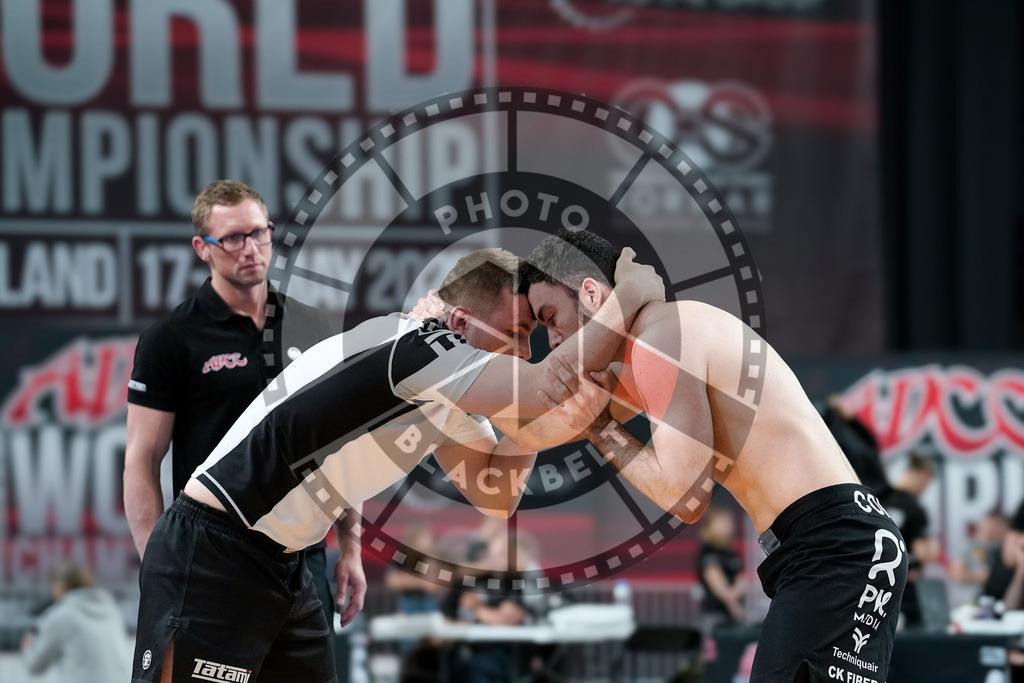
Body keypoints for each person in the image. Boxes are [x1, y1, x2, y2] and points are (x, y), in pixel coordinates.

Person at [132, 246, 664, 682]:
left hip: (284, 562)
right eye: (521, 333)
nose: (528, 353)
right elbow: (545, 390)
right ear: (460, 322)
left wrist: (352, 548)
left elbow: (495, 492)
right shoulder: (417, 347)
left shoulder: (442, 386)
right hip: (213, 549)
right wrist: (627, 302)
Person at [525, 230, 908, 682]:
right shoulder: (659, 338)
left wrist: (599, 428)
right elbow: (540, 421)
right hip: (845, 539)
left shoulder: (660, 341)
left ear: (591, 293)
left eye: (551, 318)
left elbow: (685, 498)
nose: (551, 341)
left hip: (833, 545)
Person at [123, 180, 356, 647]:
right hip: (212, 557)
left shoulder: (312, 326)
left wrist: (349, 547)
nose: (250, 249)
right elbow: (142, 458)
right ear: (202, 248)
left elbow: (341, 444)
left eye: (259, 233)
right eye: (232, 238)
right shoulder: (172, 337)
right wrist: (159, 563)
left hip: (302, 553)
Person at [20, 563, 132, 683]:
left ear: (60, 586)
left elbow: (35, 666)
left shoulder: (61, 615)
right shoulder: (110, 608)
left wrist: (27, 644)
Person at [881, 452, 939, 626]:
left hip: (876, 588)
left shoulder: (879, 499)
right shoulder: (914, 509)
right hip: (905, 592)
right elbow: (925, 553)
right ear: (924, 476)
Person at [697, 506, 746, 636]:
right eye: (722, 523)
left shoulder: (731, 552)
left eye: (728, 523)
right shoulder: (709, 552)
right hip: (716, 616)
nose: (728, 526)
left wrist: (736, 592)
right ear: (710, 526)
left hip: (733, 615)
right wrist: (734, 605)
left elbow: (742, 579)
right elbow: (718, 585)